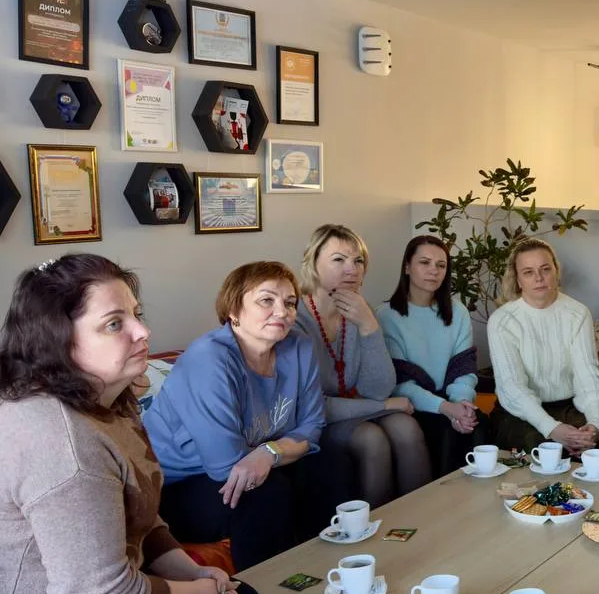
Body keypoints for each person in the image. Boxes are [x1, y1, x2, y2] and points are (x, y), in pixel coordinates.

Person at [0, 254, 287, 594]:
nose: (142, 331)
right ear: (58, 341)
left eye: (136, 314)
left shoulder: (108, 401)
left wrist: (194, 572)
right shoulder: (62, 443)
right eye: (115, 324)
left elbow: (141, 515)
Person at [145, 261, 347, 570]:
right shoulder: (208, 360)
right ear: (233, 310)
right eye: (267, 300)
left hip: (253, 460)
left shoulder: (299, 347)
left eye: (289, 303)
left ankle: (336, 568)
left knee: (330, 463)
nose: (282, 311)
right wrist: (276, 452)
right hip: (179, 486)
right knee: (267, 493)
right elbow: (225, 465)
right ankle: (269, 592)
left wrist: (270, 452)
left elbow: (312, 425)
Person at [296, 224, 431, 505]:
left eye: (358, 261)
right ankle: (376, 526)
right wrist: (384, 406)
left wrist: (369, 326)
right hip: (314, 421)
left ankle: (422, 517)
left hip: (356, 407)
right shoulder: (294, 319)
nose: (352, 269)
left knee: (406, 428)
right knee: (372, 439)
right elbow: (314, 406)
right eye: (339, 260)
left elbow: (378, 388)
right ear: (312, 265)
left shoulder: (361, 310)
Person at [486, 238, 599, 456]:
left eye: (545, 269)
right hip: (520, 413)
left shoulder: (578, 313)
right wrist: (552, 429)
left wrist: (594, 425)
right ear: (518, 280)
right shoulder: (502, 321)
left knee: (594, 447)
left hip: (570, 407)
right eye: (528, 272)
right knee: (546, 450)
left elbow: (587, 376)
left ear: (556, 272)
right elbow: (513, 387)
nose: (539, 278)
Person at [378, 235, 486, 475]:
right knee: (443, 432)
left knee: (478, 425)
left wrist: (461, 404)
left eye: (441, 265)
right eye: (424, 262)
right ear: (407, 267)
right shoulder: (386, 316)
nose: (433, 271)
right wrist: (446, 408)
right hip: (412, 406)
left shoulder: (458, 312)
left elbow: (464, 368)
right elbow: (399, 383)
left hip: (452, 399)